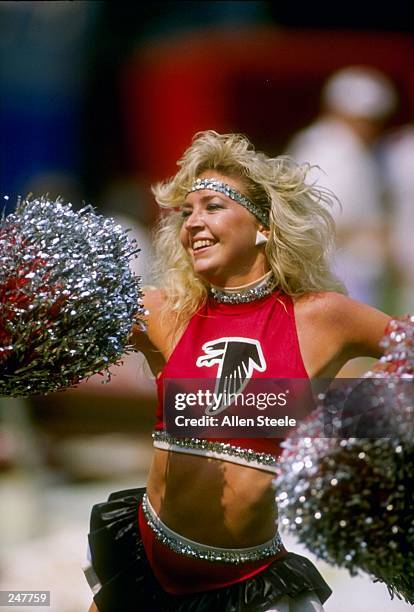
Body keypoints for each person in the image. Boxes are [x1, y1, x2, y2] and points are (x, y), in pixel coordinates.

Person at [84, 131, 391, 612]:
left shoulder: (322, 318)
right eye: (186, 213)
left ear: (263, 226)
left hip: (248, 586)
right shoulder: (166, 313)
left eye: (212, 206)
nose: (193, 224)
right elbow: (56, 324)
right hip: (144, 567)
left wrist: (368, 424)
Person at [287, 65, 397, 308]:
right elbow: (320, 218)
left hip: (349, 270)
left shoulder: (351, 148)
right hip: (336, 270)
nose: (370, 126)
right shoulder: (332, 147)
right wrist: (375, 233)